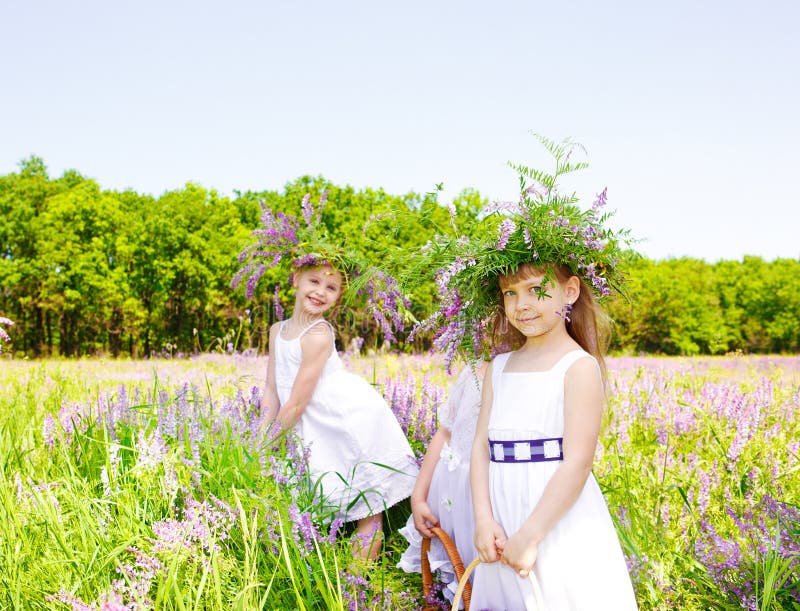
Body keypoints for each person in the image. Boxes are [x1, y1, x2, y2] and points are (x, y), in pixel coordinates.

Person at [406, 137, 638, 609]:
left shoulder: (578, 368)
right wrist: (484, 520)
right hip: (498, 509)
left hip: (552, 515)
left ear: (570, 291)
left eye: (536, 290)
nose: (522, 305)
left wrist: (531, 533)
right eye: (510, 294)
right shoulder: (500, 366)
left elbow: (576, 463)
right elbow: (479, 449)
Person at [232, 193, 419, 560]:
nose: (320, 291)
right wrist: (259, 437)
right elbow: (272, 390)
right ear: (295, 279)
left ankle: (358, 581)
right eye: (314, 281)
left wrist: (270, 441)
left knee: (367, 504)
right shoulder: (276, 330)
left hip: (344, 419)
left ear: (338, 297)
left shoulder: (318, 334)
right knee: (324, 494)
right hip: (310, 421)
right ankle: (321, 563)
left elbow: (298, 399)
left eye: (331, 288)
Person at [397, 360, 487, 602]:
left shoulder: (517, 371)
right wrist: (419, 496)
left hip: (487, 497)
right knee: (459, 581)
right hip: (451, 494)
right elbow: (446, 431)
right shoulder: (474, 369)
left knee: (488, 579)